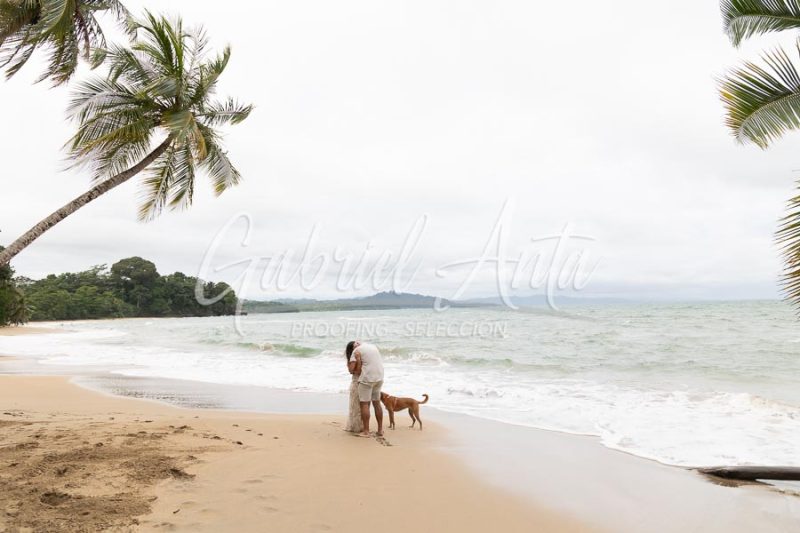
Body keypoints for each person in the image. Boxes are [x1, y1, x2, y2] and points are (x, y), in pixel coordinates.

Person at [345, 340, 384, 437]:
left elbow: (352, 371)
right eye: (356, 344)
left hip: (367, 379)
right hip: (379, 377)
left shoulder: (356, 351)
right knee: (376, 403)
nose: (357, 344)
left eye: (357, 343)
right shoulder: (372, 347)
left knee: (364, 404)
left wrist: (358, 359)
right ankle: (380, 430)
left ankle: (366, 431)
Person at [344, 342, 364, 433]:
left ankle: (361, 426)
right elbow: (354, 372)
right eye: (356, 345)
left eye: (359, 343)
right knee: (355, 406)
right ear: (352, 349)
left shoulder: (362, 355)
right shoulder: (353, 359)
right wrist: (359, 361)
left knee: (362, 406)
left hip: (363, 382)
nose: (359, 345)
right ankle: (355, 427)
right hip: (356, 383)